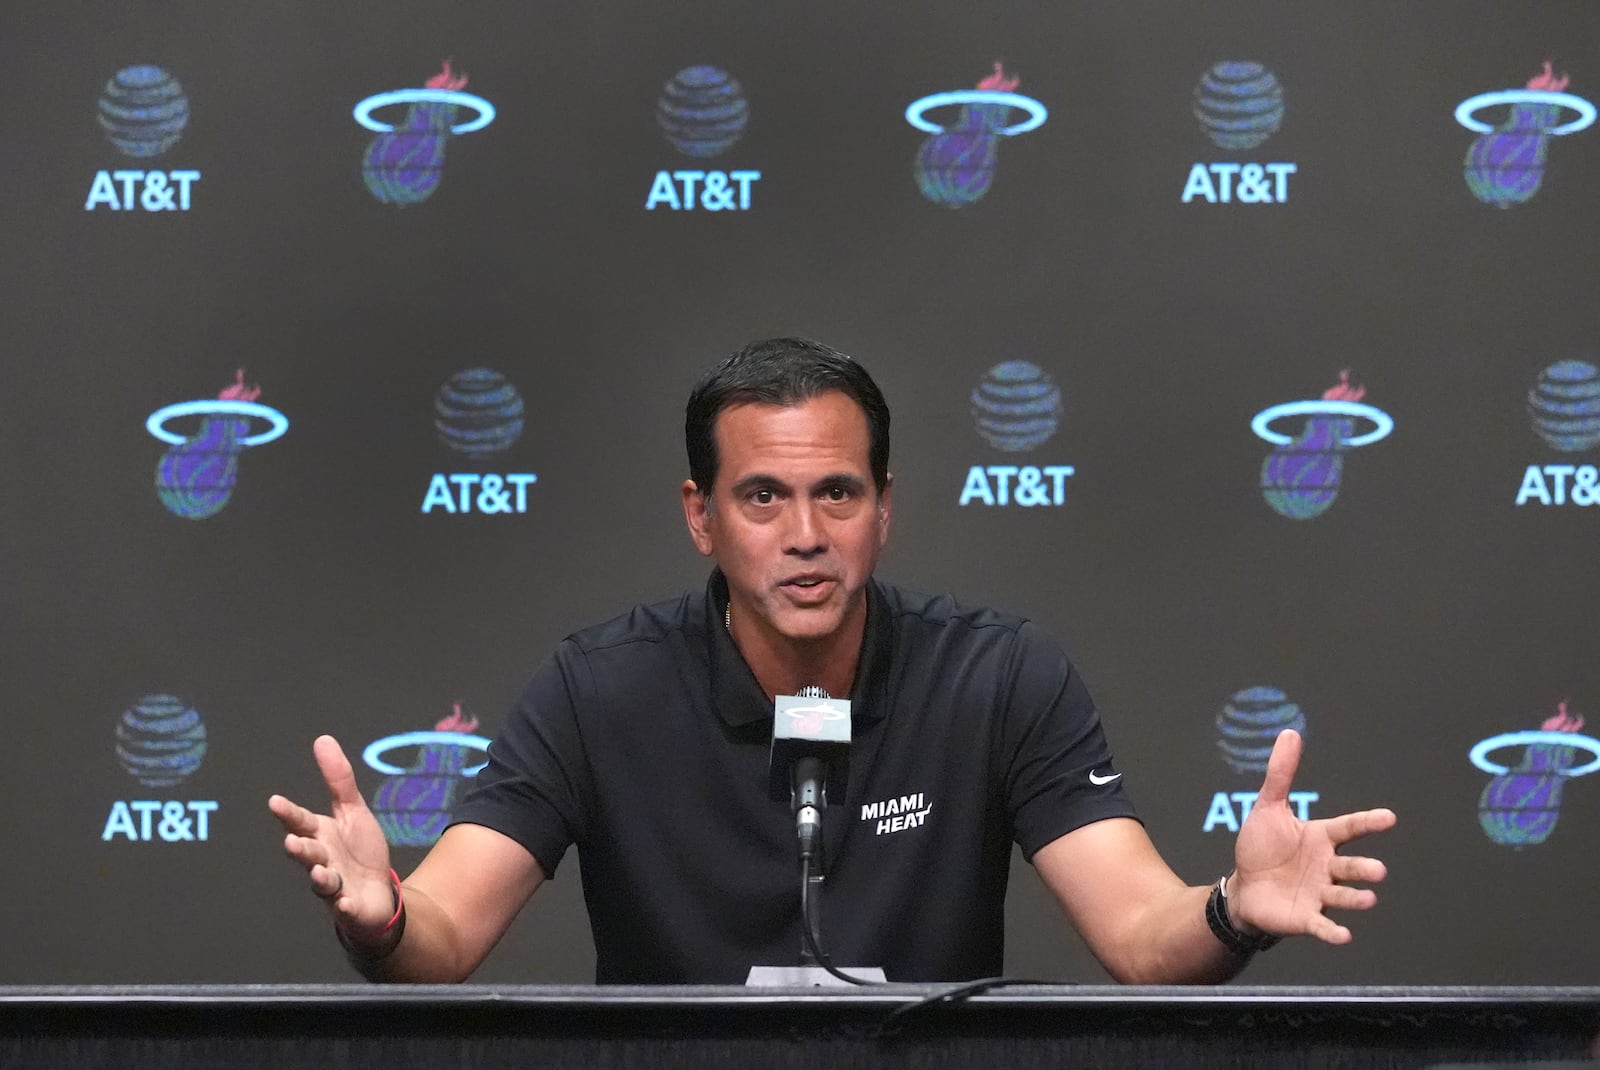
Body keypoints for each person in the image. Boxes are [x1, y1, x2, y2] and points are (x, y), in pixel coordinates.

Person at [268, 337, 1396, 984]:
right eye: (762, 495)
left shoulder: (997, 675)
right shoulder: (598, 686)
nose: (804, 532)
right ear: (700, 516)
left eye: (836, 493)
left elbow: (1145, 934)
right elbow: (445, 932)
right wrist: (380, 915)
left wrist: (1235, 908)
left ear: (883, 511)